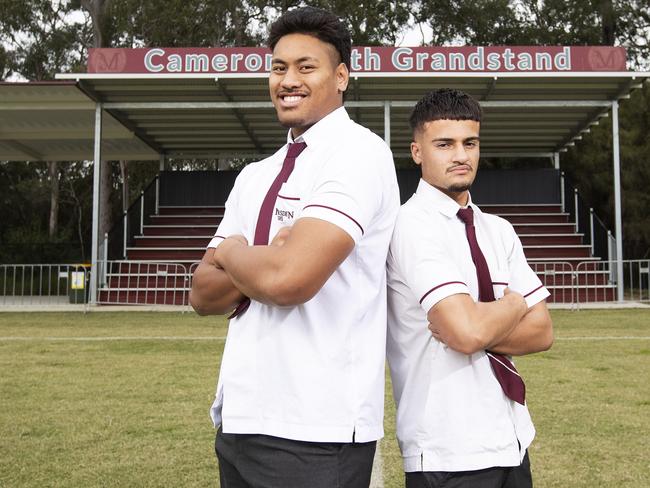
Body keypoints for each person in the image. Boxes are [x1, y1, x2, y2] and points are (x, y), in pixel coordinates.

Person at [189, 6, 400, 488]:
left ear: (341, 76)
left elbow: (288, 280)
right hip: (240, 420)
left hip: (316, 430)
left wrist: (232, 253)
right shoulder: (254, 174)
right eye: (279, 67)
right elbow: (202, 294)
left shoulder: (358, 152)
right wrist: (264, 258)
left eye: (307, 67)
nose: (289, 80)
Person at [386, 88, 554, 488]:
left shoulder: (499, 229)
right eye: (444, 144)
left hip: (511, 438)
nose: (461, 155)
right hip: (447, 447)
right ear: (417, 151)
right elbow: (465, 332)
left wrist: (483, 318)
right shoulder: (409, 225)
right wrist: (515, 304)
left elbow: (542, 331)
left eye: (470, 143)